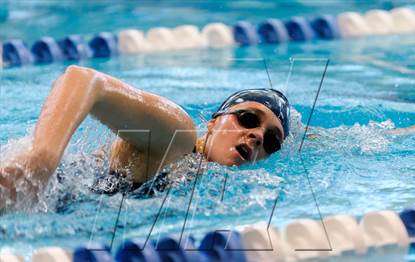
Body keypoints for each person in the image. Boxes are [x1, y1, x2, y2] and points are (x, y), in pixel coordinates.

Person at [0, 65, 290, 209]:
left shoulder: (195, 174)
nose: (256, 136)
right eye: (247, 118)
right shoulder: (178, 136)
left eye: (271, 141)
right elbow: (84, 79)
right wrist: (41, 158)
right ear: (214, 123)